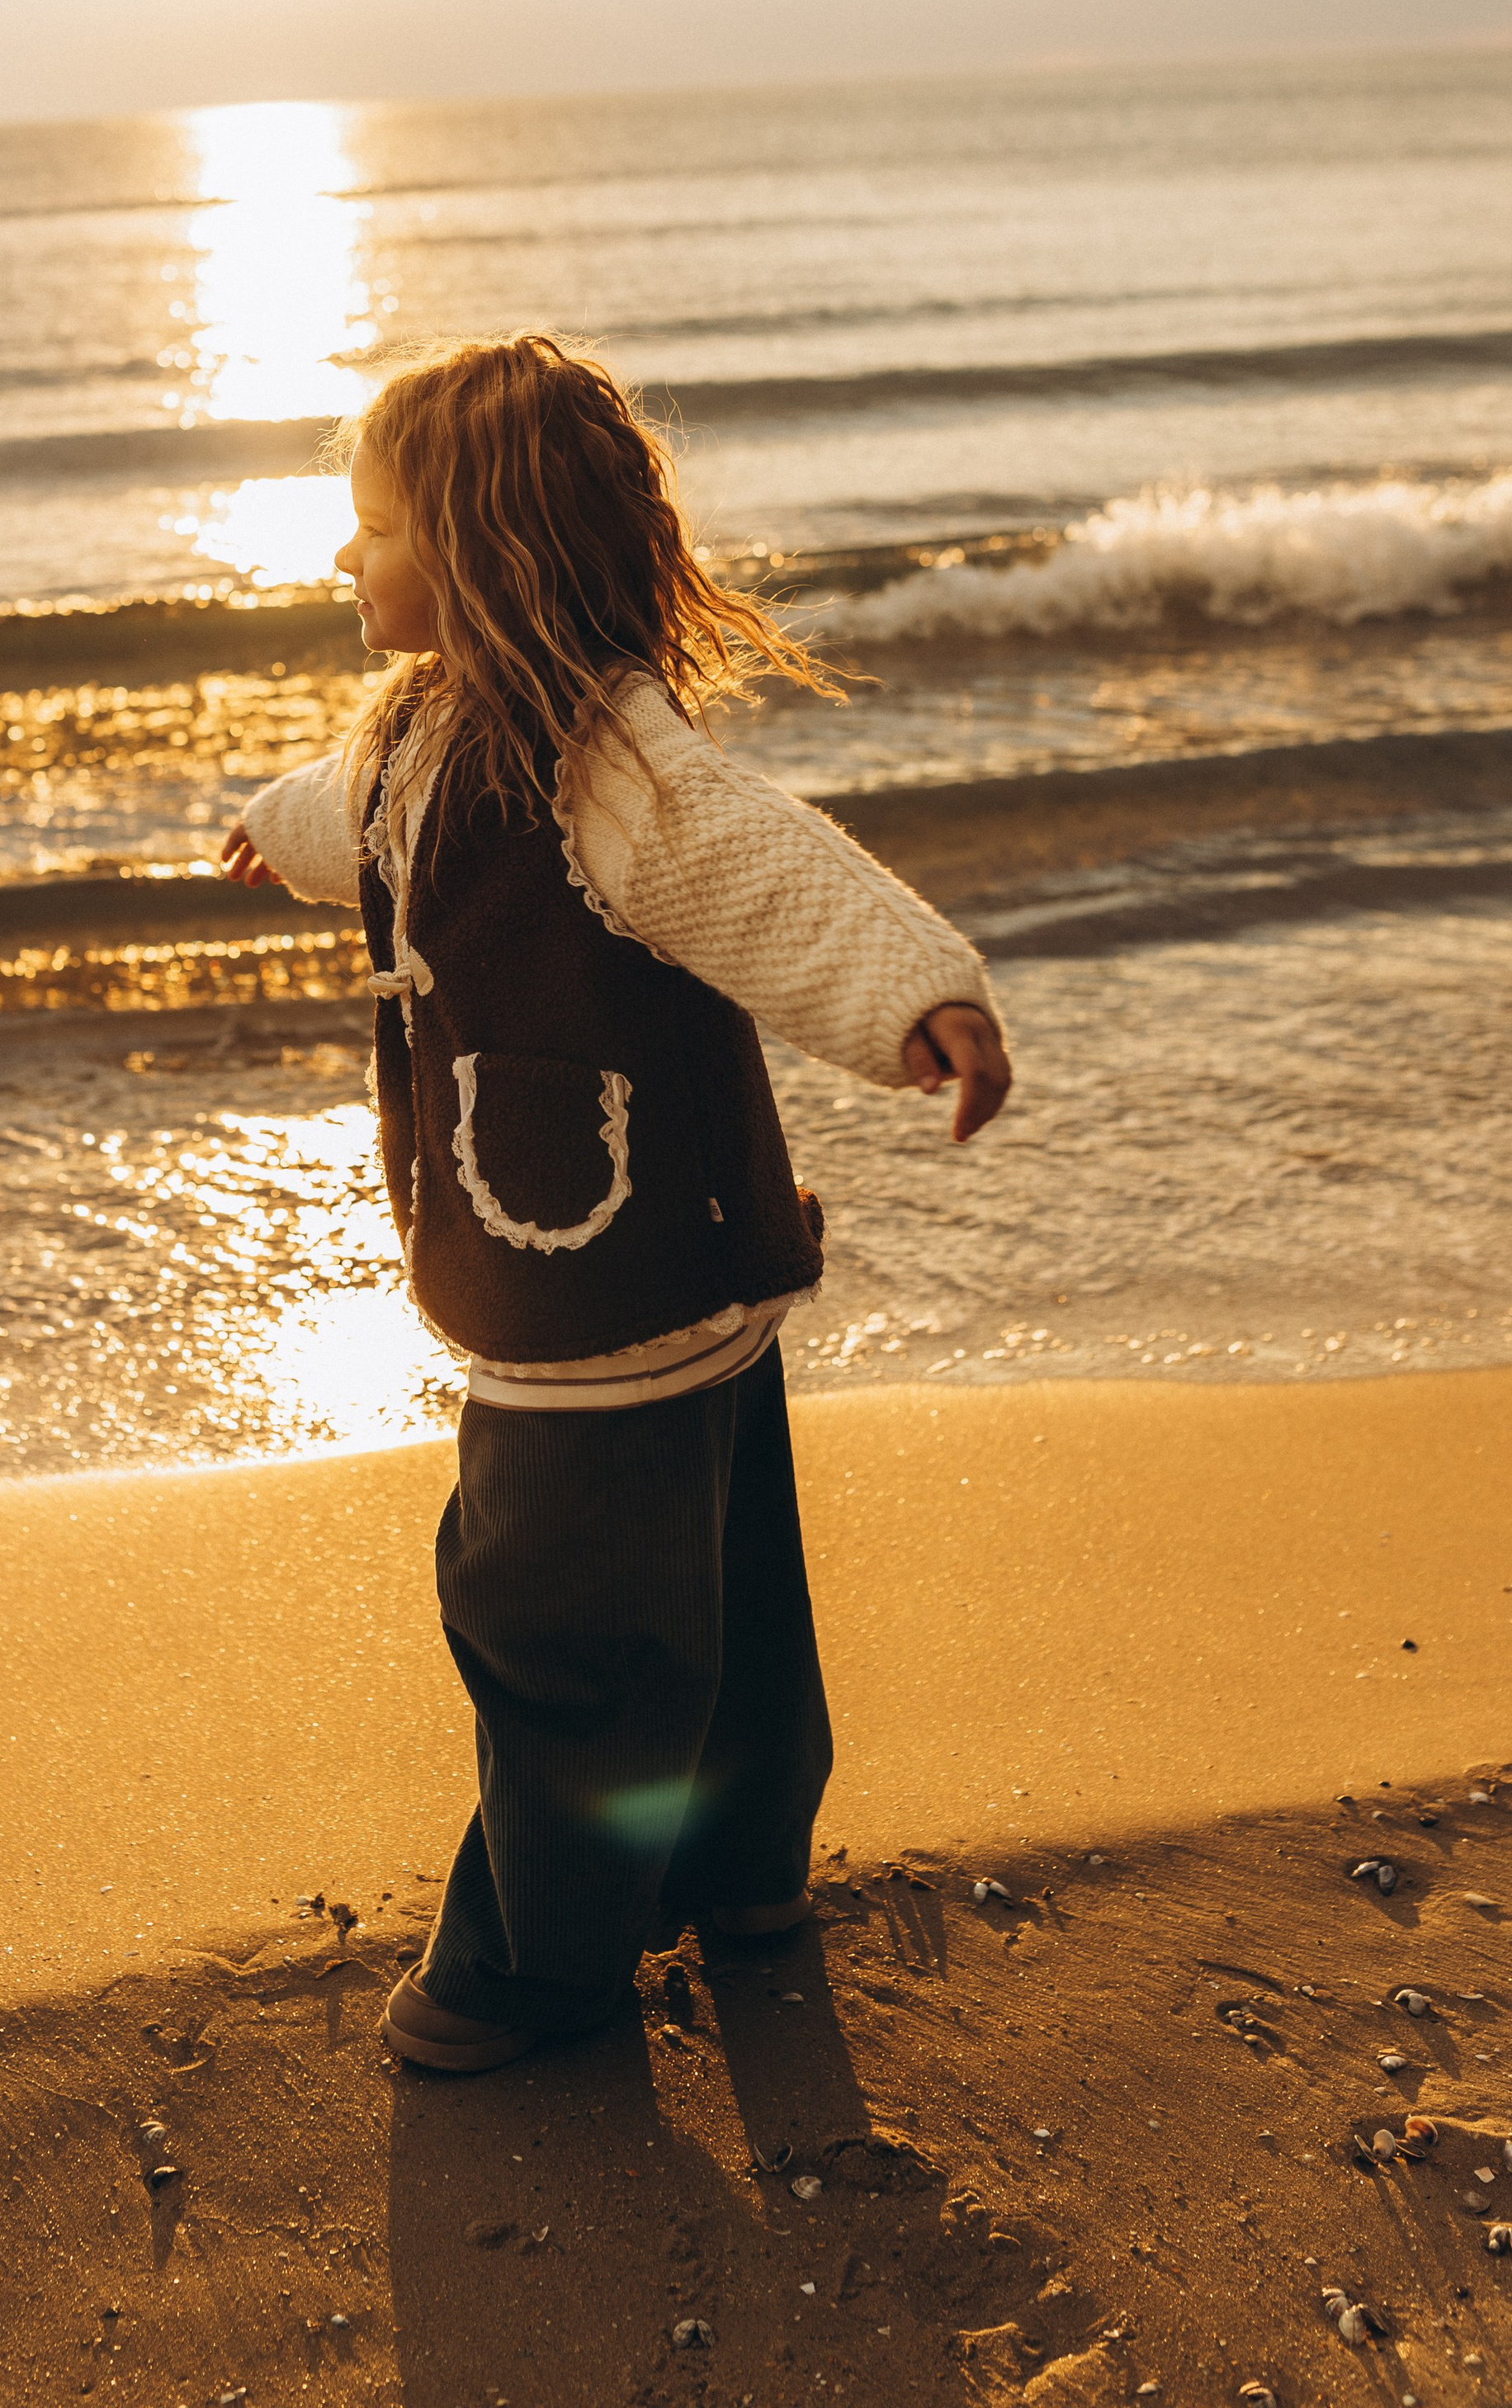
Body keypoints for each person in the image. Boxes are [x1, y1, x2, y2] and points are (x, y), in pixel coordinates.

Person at [222, 334, 1009, 2074]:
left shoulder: (606, 766)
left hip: (588, 1305)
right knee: (722, 1612)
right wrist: (265, 831)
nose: (341, 562)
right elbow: (345, 815)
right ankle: (740, 1883)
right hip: (677, 1276)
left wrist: (913, 997)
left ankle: (533, 1971)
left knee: (554, 1633)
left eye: (370, 531)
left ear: (484, 555)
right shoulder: (424, 728)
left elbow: (767, 864)